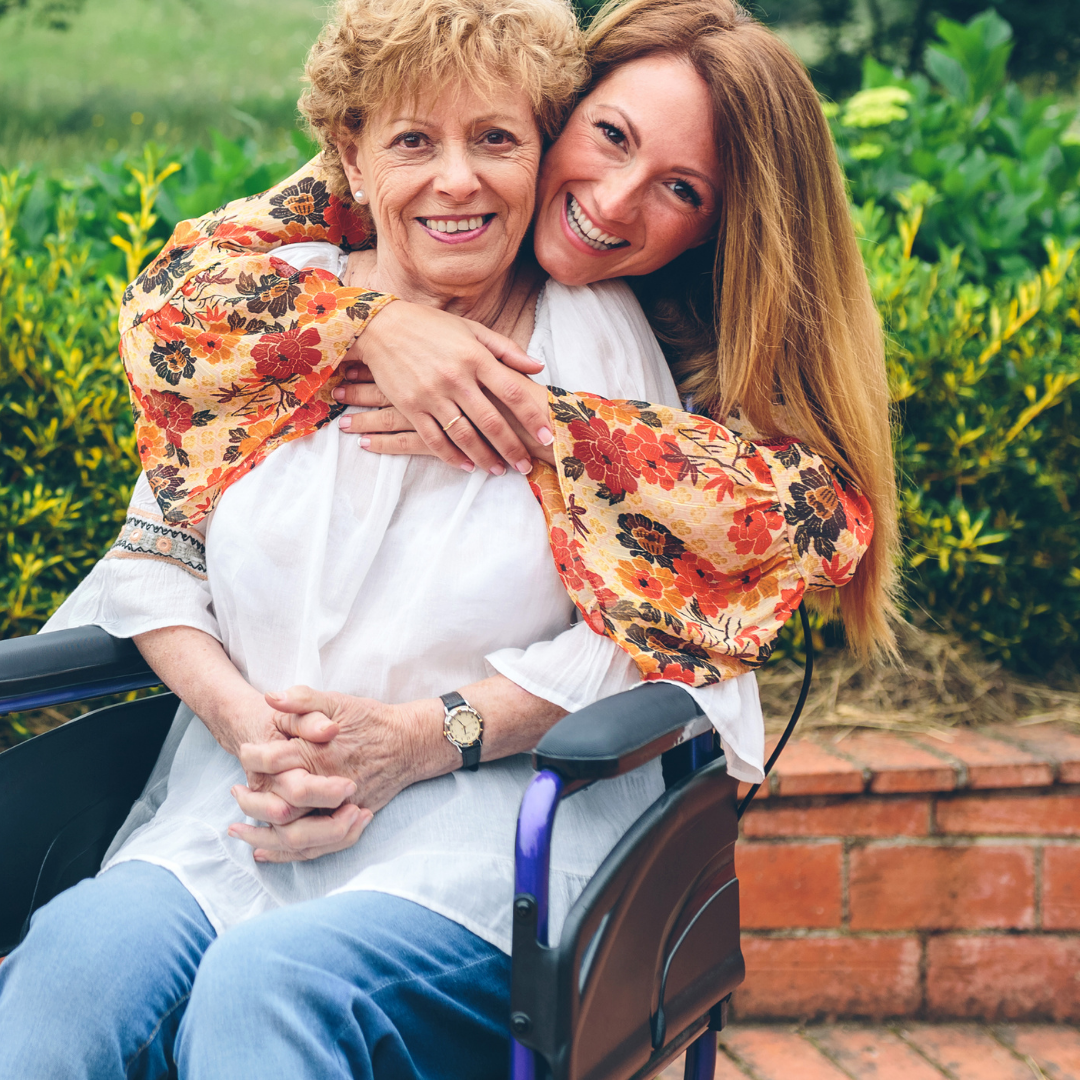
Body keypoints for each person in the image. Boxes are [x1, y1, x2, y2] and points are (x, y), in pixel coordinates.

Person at [0, 0, 789, 1077]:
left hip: (477, 844)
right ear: (351, 156)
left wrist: (420, 739)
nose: (457, 179)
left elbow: (642, 632)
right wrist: (248, 726)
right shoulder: (269, 318)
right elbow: (157, 559)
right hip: (232, 815)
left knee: (271, 988)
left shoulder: (591, 346)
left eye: (496, 138)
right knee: (65, 976)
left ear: (537, 152)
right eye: (415, 140)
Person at [118, 0, 899, 667]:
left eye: (681, 188)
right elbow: (170, 295)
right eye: (612, 135)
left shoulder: (681, 324)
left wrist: (541, 422)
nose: (613, 202)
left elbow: (819, 521)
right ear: (560, 111)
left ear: (720, 230)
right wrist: (372, 324)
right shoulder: (366, 198)